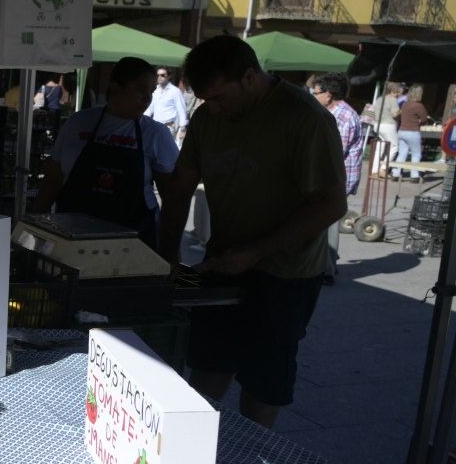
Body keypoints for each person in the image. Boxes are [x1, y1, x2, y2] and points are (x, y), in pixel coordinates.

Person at [157, 35, 347, 430]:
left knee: (263, 381)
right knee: (209, 362)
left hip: (287, 273)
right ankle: (194, 442)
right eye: (206, 100)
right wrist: (167, 255)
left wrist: (259, 250)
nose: (214, 109)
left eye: (220, 98)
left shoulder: (305, 119)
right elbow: (179, 188)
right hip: (223, 261)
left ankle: (254, 463)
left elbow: (331, 204)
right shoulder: (209, 117)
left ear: (248, 77)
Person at [32, 57, 179, 248]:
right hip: (71, 238)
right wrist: (34, 229)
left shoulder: (155, 134)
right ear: (116, 88)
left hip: (132, 244)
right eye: (140, 90)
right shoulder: (77, 124)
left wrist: (170, 248)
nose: (147, 99)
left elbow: (173, 198)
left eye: (150, 92)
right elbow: (52, 180)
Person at [311, 72, 363, 285]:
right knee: (323, 222)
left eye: (316, 92)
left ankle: (327, 270)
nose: (313, 96)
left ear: (329, 94)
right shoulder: (331, 112)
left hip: (336, 177)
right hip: (329, 174)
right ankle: (325, 264)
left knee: (328, 222)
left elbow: (334, 151)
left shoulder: (343, 116)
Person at [391, 85, 430, 182]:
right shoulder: (419, 106)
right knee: (416, 154)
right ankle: (414, 175)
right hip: (413, 132)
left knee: (402, 153)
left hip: (401, 131)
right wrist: (420, 122)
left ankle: (395, 173)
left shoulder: (405, 104)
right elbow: (424, 119)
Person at [144, 66, 188, 146]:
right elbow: (149, 109)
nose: (159, 77)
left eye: (162, 75)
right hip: (154, 126)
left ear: (169, 76)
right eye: (158, 75)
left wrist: (183, 129)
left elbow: (181, 110)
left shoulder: (175, 91)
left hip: (168, 127)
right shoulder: (155, 90)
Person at [366, 82, 402, 178]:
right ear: (396, 91)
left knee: (380, 147)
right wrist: (402, 110)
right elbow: (394, 114)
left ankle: (374, 171)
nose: (401, 94)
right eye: (400, 91)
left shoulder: (380, 99)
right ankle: (383, 169)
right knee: (394, 147)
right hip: (388, 125)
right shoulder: (393, 100)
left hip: (377, 124)